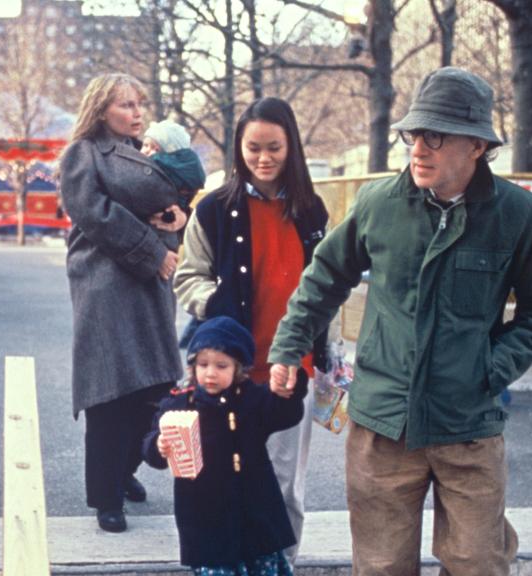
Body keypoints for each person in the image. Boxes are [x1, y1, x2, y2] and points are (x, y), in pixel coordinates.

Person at [268, 67, 532, 575]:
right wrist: (286, 348)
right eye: (413, 134)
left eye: (435, 135)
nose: (418, 148)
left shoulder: (520, 214)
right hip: (382, 427)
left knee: (479, 562)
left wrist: (490, 370)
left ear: (477, 145)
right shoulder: (378, 204)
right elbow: (322, 279)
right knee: (381, 566)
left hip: (468, 424)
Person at [173, 96, 329, 558]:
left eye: (275, 148)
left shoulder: (312, 211)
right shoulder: (215, 209)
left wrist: (329, 354)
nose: (263, 158)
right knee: (223, 483)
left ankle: (281, 568)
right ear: (238, 147)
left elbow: (327, 285)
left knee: (283, 489)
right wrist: (215, 303)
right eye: (253, 147)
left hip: (290, 373)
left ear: (292, 147)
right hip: (229, 374)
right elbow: (187, 277)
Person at [59, 73, 185, 533]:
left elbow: (166, 209)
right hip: (106, 287)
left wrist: (177, 219)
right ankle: (106, 496)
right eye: (125, 106)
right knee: (110, 394)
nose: (136, 113)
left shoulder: (144, 154)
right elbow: (94, 214)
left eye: (138, 104)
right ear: (100, 110)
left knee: (155, 388)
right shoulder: (82, 153)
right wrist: (153, 252)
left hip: (148, 285)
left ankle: (126, 467)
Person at [142, 316, 307, 575]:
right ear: (193, 366)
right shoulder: (179, 403)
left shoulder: (253, 400)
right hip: (205, 516)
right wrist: (158, 445)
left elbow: (286, 413)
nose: (210, 373)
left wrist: (290, 386)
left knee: (261, 566)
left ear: (238, 368)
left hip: (256, 509)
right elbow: (152, 443)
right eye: (203, 364)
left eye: (221, 365)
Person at [141, 119, 207, 230]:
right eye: (145, 145)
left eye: (156, 149)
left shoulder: (163, 169)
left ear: (170, 156)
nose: (147, 151)